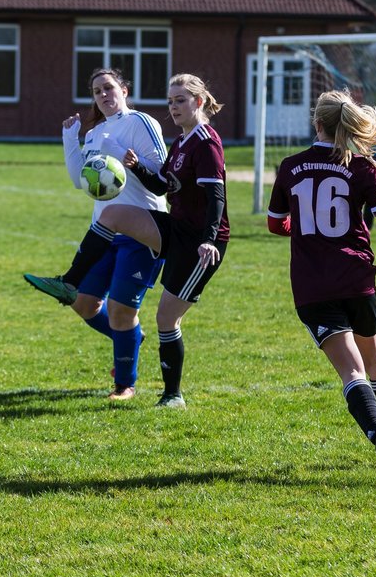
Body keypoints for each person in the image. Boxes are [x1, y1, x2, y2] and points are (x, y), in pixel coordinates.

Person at [26, 74, 229, 409]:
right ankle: (70, 283)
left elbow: (215, 198)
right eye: (170, 100)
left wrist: (208, 240)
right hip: (147, 229)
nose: (173, 107)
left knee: (147, 316)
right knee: (87, 296)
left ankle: (148, 388)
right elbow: (160, 183)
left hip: (183, 238)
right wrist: (75, 140)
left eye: (180, 100)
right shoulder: (178, 142)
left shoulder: (190, 137)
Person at [267, 89, 376, 485]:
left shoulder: (290, 166)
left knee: (351, 370)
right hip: (357, 279)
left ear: (316, 123)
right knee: (374, 358)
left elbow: (275, 222)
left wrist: (297, 226)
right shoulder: (363, 166)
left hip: (313, 285)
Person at [23, 67, 169, 401]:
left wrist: (117, 151)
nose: (103, 95)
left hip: (141, 230)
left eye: (109, 88)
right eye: (97, 91)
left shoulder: (141, 122)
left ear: (124, 90)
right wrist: (70, 139)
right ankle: (130, 338)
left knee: (120, 310)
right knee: (84, 304)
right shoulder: (95, 133)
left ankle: (125, 385)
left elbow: (160, 172)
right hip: (103, 232)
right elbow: (80, 180)